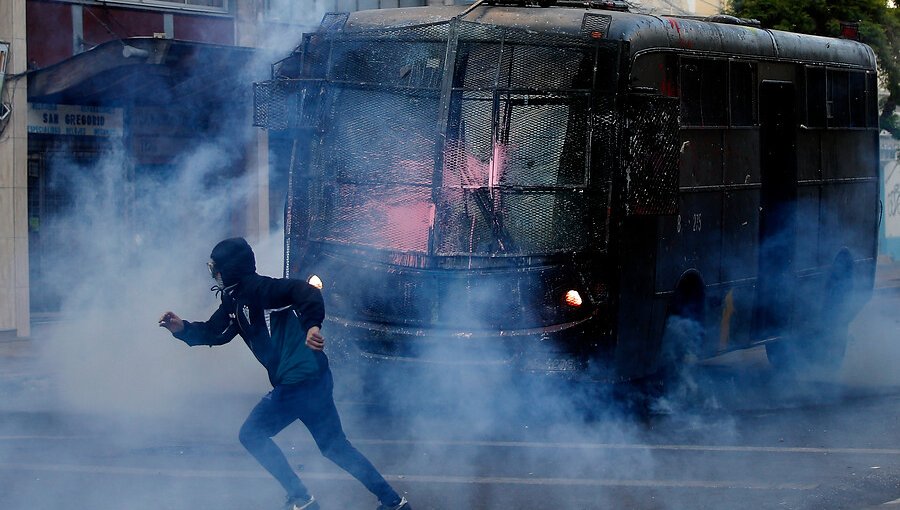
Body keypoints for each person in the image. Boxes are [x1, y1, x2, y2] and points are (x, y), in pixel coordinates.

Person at [158, 237, 409, 510]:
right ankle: (394, 502)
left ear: (229, 269)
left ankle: (301, 498)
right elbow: (215, 332)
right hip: (313, 378)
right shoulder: (234, 300)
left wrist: (313, 326)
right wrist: (182, 329)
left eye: (215, 269)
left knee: (251, 434)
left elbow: (307, 293)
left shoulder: (261, 289)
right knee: (334, 446)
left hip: (299, 381)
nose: (214, 275)